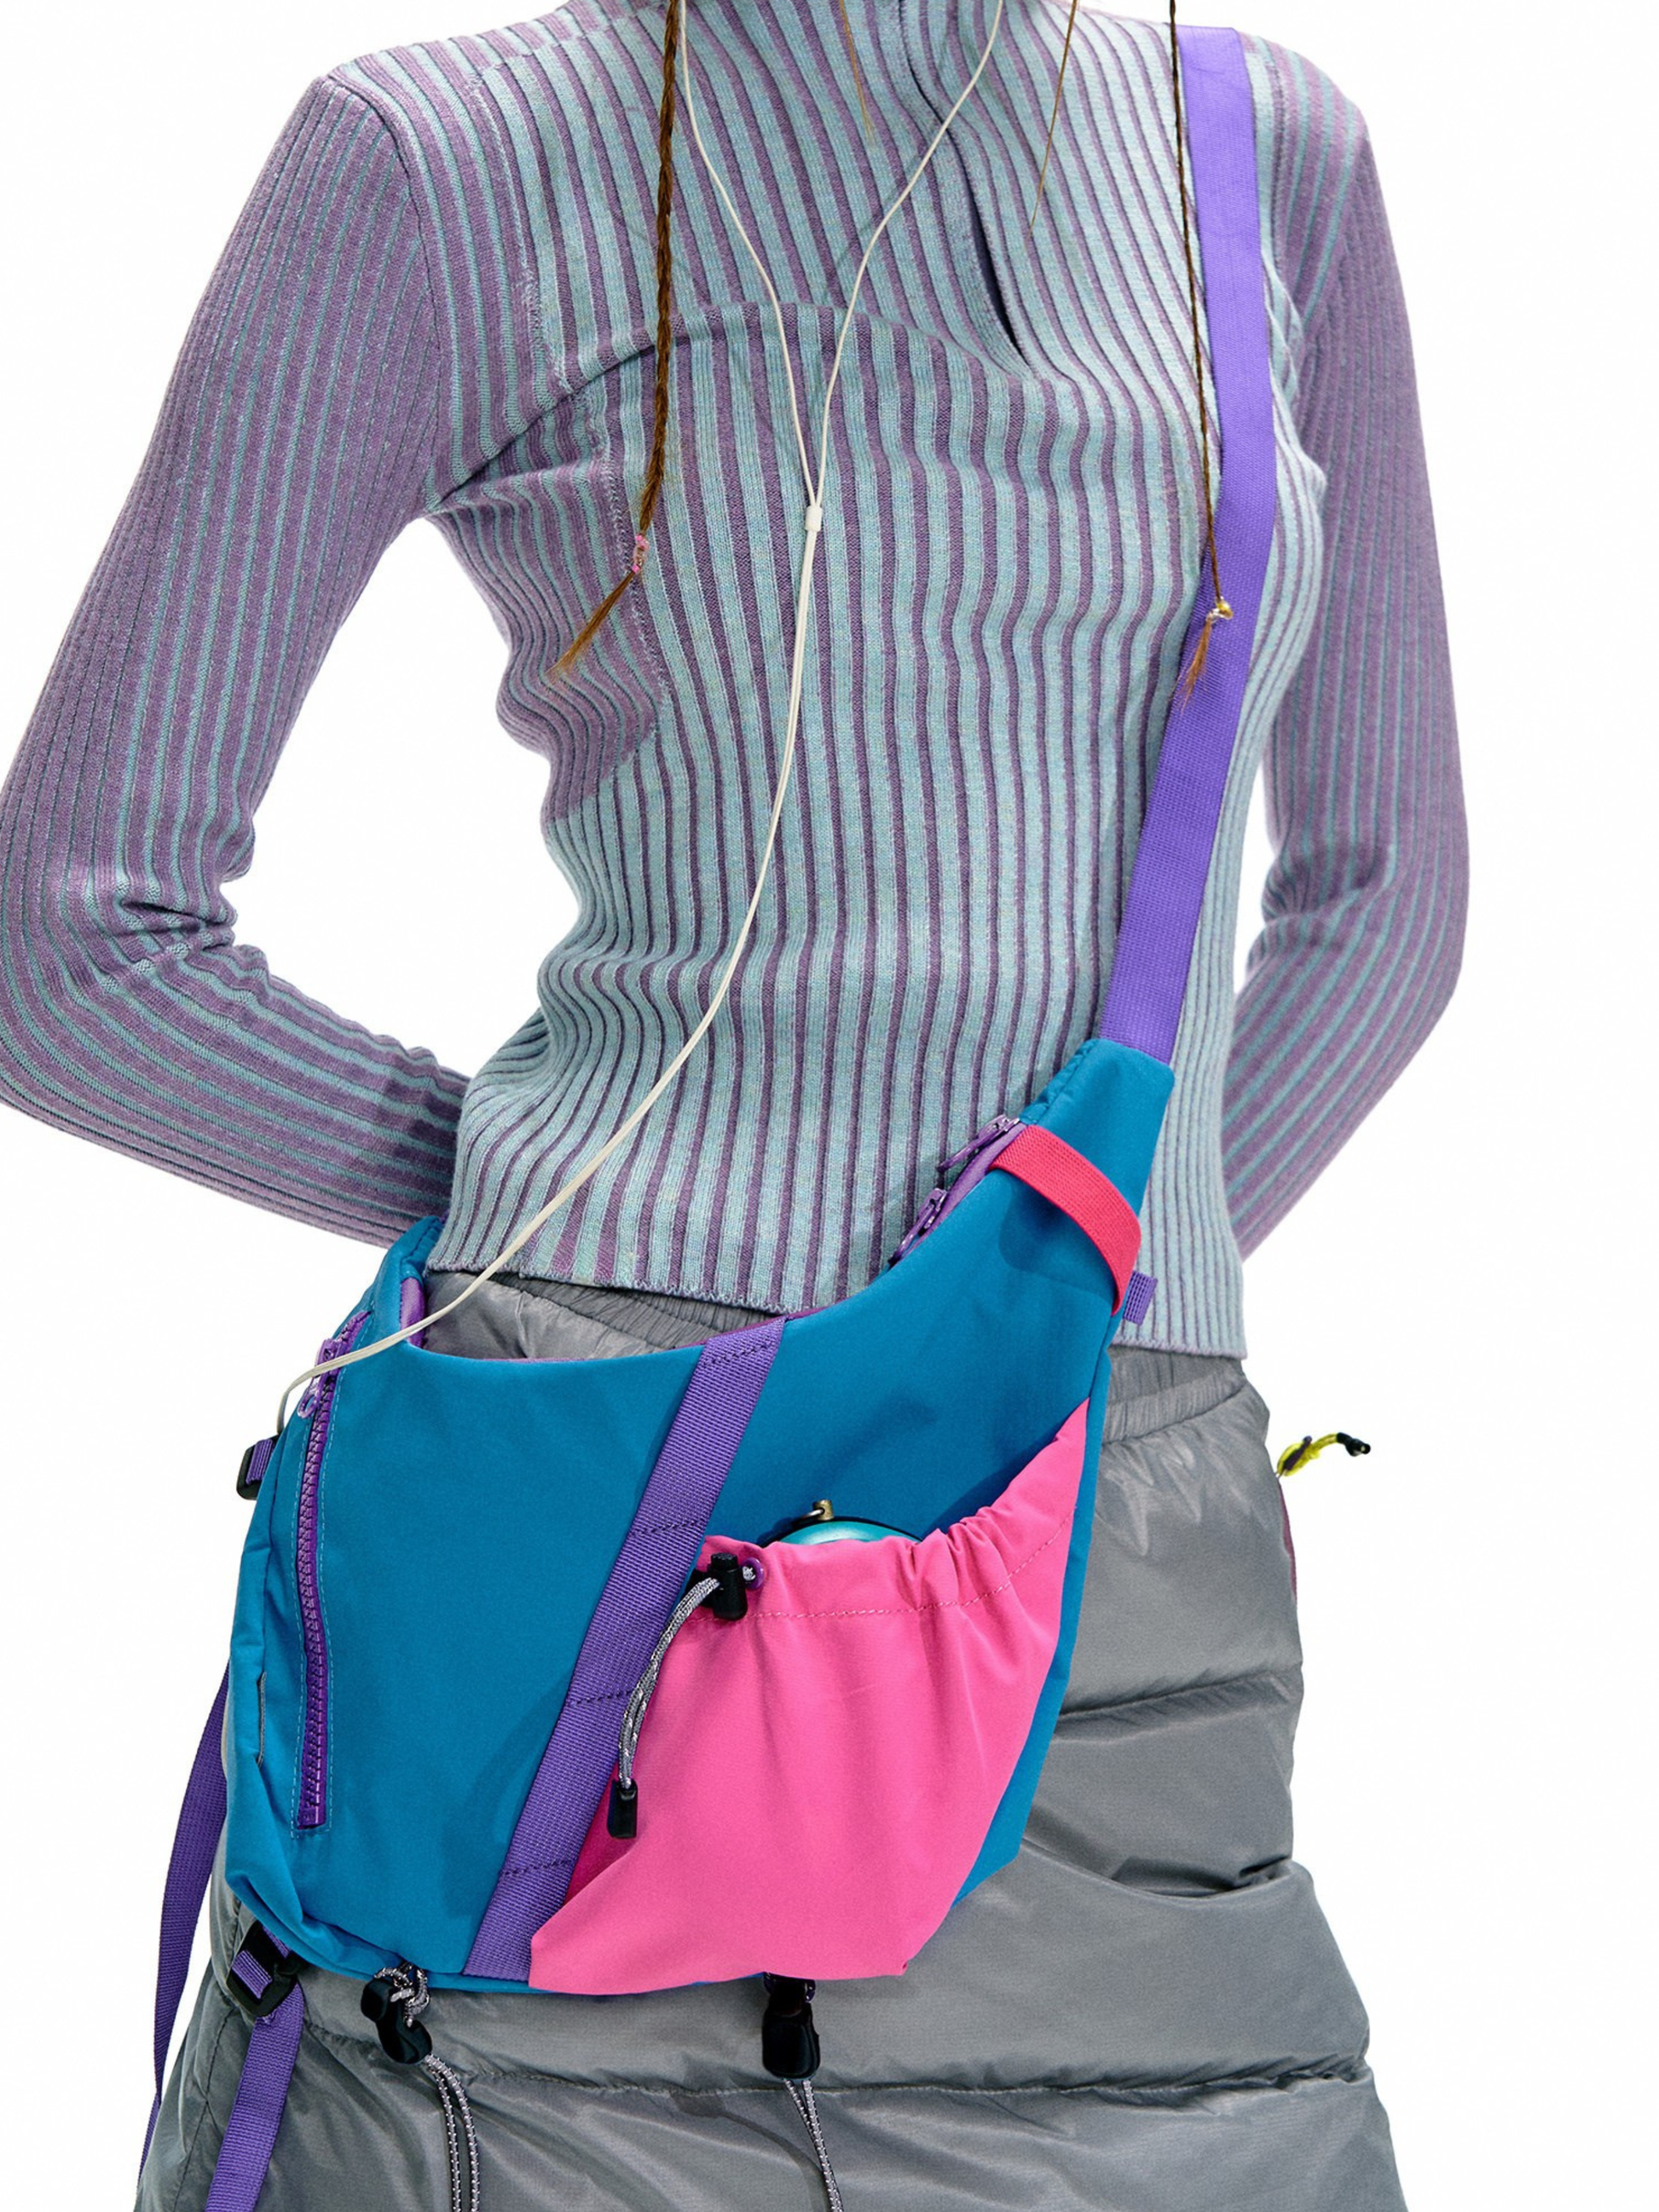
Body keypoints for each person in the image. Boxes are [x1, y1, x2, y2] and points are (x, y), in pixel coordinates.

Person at [0, 2, 1465, 2206]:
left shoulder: (1273, 154)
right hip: (687, 1536)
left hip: (1037, 1572)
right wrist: (962, 1279)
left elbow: (1386, 908)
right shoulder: (439, 158)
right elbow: (65, 946)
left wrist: (1028, 1287)